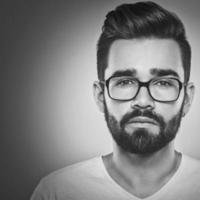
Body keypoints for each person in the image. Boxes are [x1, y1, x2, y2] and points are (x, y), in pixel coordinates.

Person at [31, 1, 200, 200]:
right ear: (100, 96)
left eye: (163, 83)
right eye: (125, 81)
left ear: (187, 98)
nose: (143, 101)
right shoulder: (56, 192)